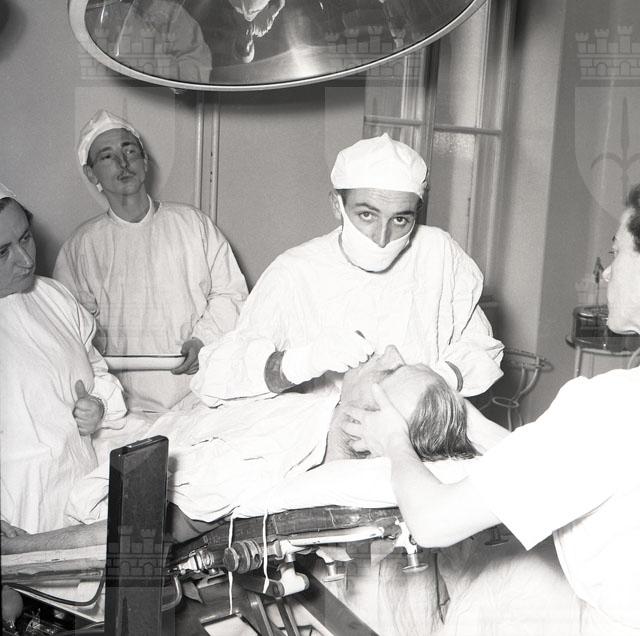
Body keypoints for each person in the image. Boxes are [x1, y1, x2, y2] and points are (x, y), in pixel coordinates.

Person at [343, 188, 640, 634]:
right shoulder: (616, 408)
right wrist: (467, 421)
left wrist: (394, 440)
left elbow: (433, 522)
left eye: (617, 252)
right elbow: (564, 463)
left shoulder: (608, 405)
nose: (609, 271)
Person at [193, 133, 504, 406]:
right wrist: (302, 362)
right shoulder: (296, 271)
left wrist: (434, 381)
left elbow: (482, 347)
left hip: (423, 432)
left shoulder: (438, 253)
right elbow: (215, 376)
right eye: (367, 215)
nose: (382, 238)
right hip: (330, 439)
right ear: (336, 205)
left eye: (400, 220)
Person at [54, 110, 248, 413]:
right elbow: (70, 331)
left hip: (203, 397)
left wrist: (204, 339)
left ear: (144, 161)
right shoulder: (81, 248)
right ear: (92, 175)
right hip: (124, 411)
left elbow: (230, 293)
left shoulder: (192, 224)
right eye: (107, 156)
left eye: (130, 151)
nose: (123, 163)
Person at [0, 184, 126, 535]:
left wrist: (98, 405)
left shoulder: (53, 296)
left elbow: (98, 373)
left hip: (81, 491)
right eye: (2, 252)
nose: (26, 260)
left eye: (26, 238)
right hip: (19, 514)